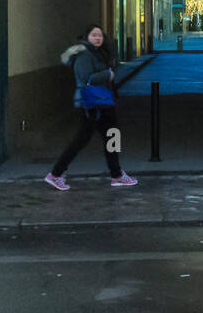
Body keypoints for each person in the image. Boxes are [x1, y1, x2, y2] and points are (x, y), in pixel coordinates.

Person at [44, 24, 138, 190]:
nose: (97, 38)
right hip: (91, 103)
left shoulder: (97, 53)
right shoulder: (84, 55)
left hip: (102, 102)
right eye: (94, 35)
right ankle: (56, 174)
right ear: (86, 37)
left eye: (100, 35)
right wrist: (107, 74)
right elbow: (85, 78)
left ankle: (116, 174)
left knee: (111, 136)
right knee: (84, 139)